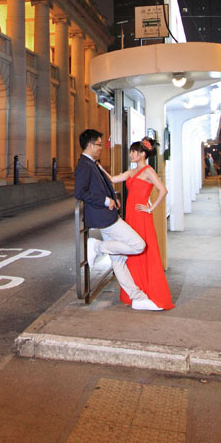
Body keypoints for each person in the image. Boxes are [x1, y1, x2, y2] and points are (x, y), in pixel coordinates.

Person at [72, 128, 162, 311]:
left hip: (108, 214)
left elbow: (105, 185)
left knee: (118, 261)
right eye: (99, 144)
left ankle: (137, 298)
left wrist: (113, 198)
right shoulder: (84, 165)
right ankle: (98, 247)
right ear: (90, 145)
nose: (101, 148)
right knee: (138, 245)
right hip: (104, 218)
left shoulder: (93, 163)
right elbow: (79, 192)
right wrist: (106, 201)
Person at [105, 138, 174, 310]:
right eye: (131, 152)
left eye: (134, 152)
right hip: (131, 216)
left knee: (145, 252)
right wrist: (97, 167)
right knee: (132, 252)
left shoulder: (148, 170)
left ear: (142, 154)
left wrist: (151, 208)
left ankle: (150, 293)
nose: (131, 154)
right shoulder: (131, 172)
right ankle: (136, 293)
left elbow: (163, 190)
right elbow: (112, 179)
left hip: (142, 217)